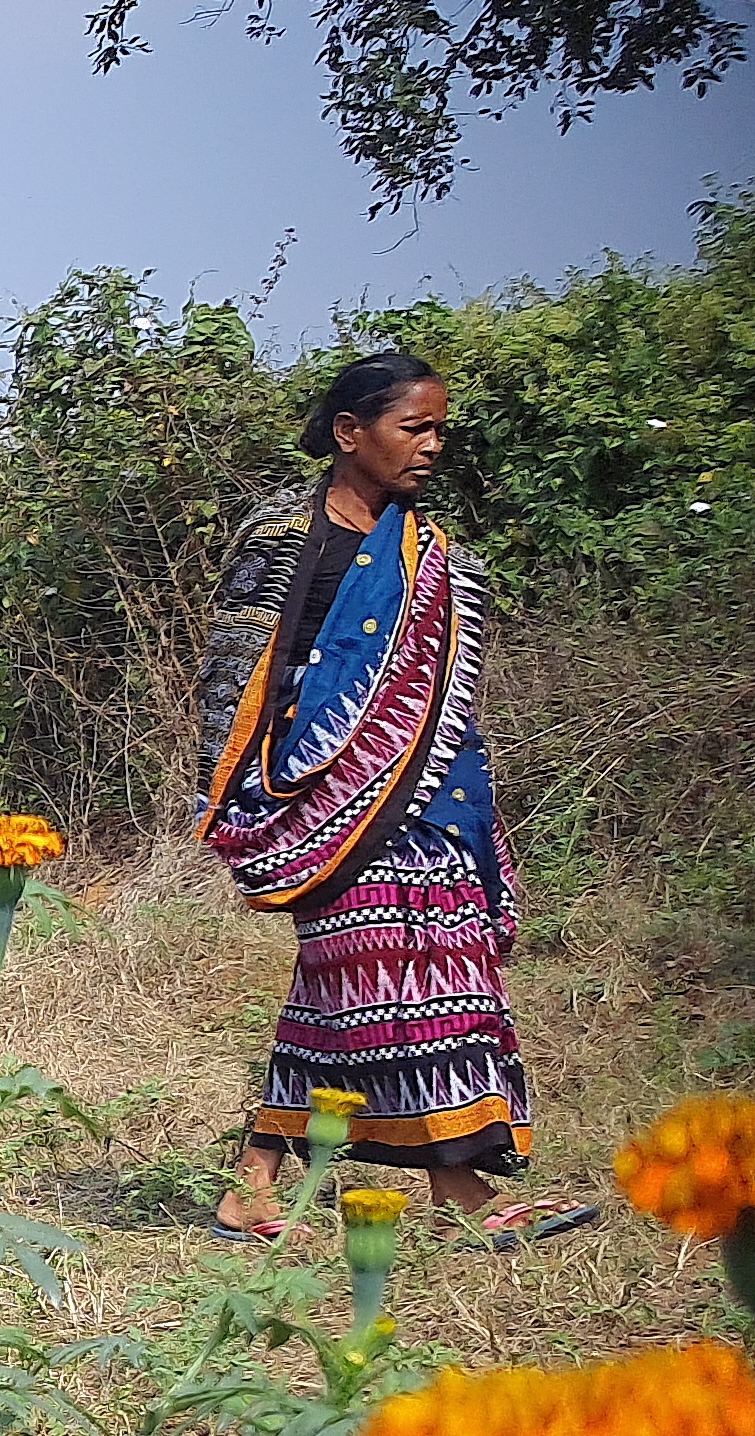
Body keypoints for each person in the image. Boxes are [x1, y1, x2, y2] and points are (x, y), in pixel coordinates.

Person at [196, 354, 592, 1244]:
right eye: (413, 428)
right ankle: (462, 1197)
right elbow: (239, 671)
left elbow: (439, 689)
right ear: (350, 434)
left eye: (438, 429)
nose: (431, 446)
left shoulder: (428, 550)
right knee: (381, 976)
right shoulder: (281, 532)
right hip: (318, 793)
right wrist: (235, 794)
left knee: (385, 977)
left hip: (430, 795)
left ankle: (255, 1184)